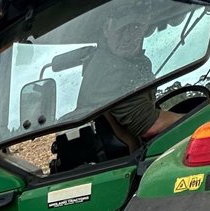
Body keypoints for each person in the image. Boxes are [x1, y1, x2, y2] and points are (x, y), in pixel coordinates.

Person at [77, 0, 183, 148]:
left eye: (135, 28)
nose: (128, 37)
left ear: (144, 29)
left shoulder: (129, 62)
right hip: (124, 158)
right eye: (122, 29)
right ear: (107, 29)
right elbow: (149, 126)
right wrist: (198, 119)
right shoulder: (110, 67)